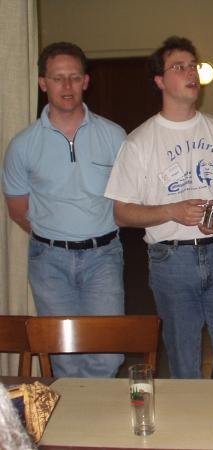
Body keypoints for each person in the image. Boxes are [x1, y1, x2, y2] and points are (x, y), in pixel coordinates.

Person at [105, 36, 213, 379]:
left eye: (193, 66)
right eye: (179, 67)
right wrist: (170, 211)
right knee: (183, 362)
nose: (190, 72)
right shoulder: (139, 141)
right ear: (159, 81)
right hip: (170, 261)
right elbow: (121, 212)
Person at [2, 42, 126, 377]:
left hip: (103, 258)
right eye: (58, 78)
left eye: (74, 77)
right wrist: (57, 233)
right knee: (64, 357)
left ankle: (96, 410)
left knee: (108, 354)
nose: (67, 86)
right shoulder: (23, 145)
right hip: (49, 261)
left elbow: (127, 199)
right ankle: (77, 412)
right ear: (43, 83)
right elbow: (17, 209)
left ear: (86, 81)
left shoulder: (115, 136)